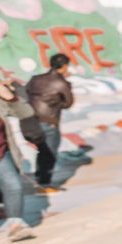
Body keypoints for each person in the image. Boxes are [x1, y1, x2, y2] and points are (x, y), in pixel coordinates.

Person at [0, 74, 36, 241]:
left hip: (0, 156)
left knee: (14, 187)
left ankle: (15, 226)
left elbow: (27, 113)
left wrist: (10, 97)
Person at [26, 53, 74, 194]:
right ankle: (44, 184)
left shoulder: (35, 79)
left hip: (33, 120)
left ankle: (38, 179)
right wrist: (57, 102)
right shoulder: (61, 83)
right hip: (50, 121)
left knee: (42, 151)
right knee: (49, 153)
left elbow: (26, 93)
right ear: (64, 66)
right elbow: (68, 103)